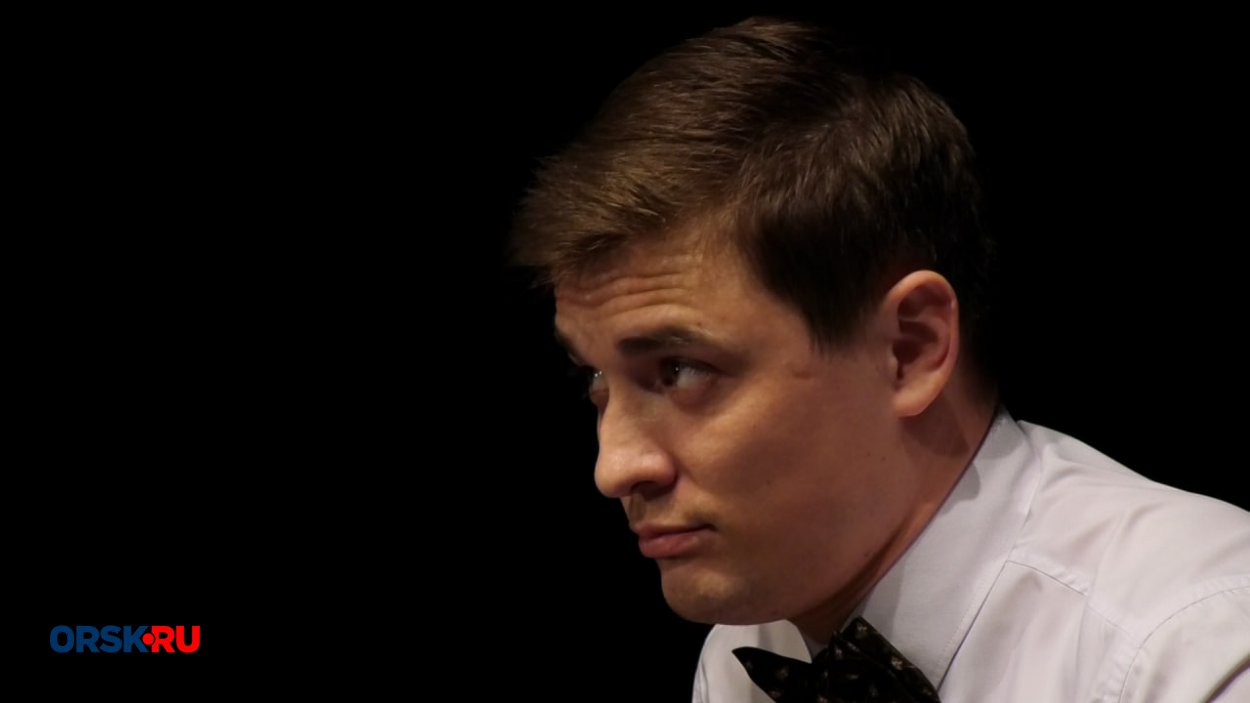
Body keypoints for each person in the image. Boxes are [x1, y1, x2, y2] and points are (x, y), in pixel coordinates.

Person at [510, 16, 1250, 702]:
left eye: (680, 370)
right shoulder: (746, 648)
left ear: (910, 349)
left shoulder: (1194, 644)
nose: (614, 468)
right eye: (595, 378)